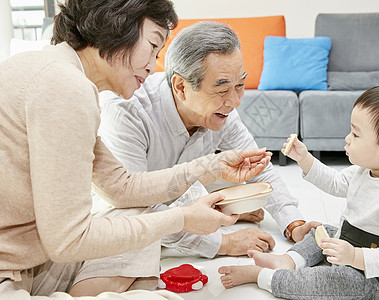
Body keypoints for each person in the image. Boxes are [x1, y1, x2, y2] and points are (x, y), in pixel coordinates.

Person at [0, 1, 272, 298]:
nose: (153, 64)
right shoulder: (65, 87)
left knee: (142, 217)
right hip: (11, 274)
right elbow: (67, 240)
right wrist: (181, 218)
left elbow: (121, 186)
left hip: (32, 262)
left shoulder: (56, 71)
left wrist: (212, 168)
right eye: (153, 45)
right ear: (117, 28)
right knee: (155, 276)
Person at [98, 21, 319, 259]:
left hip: (181, 195)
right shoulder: (128, 112)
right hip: (123, 205)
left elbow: (260, 168)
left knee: (242, 175)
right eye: (222, 90)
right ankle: (220, 210)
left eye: (241, 85)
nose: (235, 102)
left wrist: (294, 223)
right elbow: (134, 208)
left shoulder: (222, 113)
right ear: (181, 87)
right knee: (127, 221)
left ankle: (220, 209)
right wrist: (223, 243)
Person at [218, 84, 379, 299]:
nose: (347, 138)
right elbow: (334, 182)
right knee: (321, 231)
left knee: (335, 280)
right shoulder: (366, 171)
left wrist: (354, 256)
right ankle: (289, 261)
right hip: (351, 244)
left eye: (356, 134)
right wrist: (305, 159)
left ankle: (265, 277)